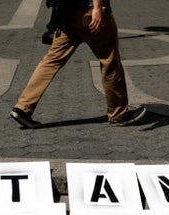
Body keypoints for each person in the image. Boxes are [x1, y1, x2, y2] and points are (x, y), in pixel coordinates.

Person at [10, 0, 146, 129]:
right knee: (110, 62)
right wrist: (98, 7)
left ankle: (23, 107)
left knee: (51, 61)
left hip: (67, 14)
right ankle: (118, 114)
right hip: (89, 11)